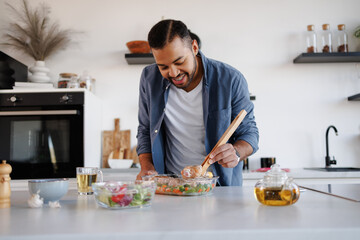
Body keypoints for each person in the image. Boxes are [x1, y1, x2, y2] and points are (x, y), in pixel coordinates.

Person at [136, 19, 259, 186]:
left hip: (219, 186)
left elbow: (250, 134)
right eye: (163, 67)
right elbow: (144, 129)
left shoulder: (230, 79)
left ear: (194, 48)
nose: (174, 73)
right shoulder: (149, 78)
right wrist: (147, 167)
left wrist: (236, 152)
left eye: (179, 62)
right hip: (171, 186)